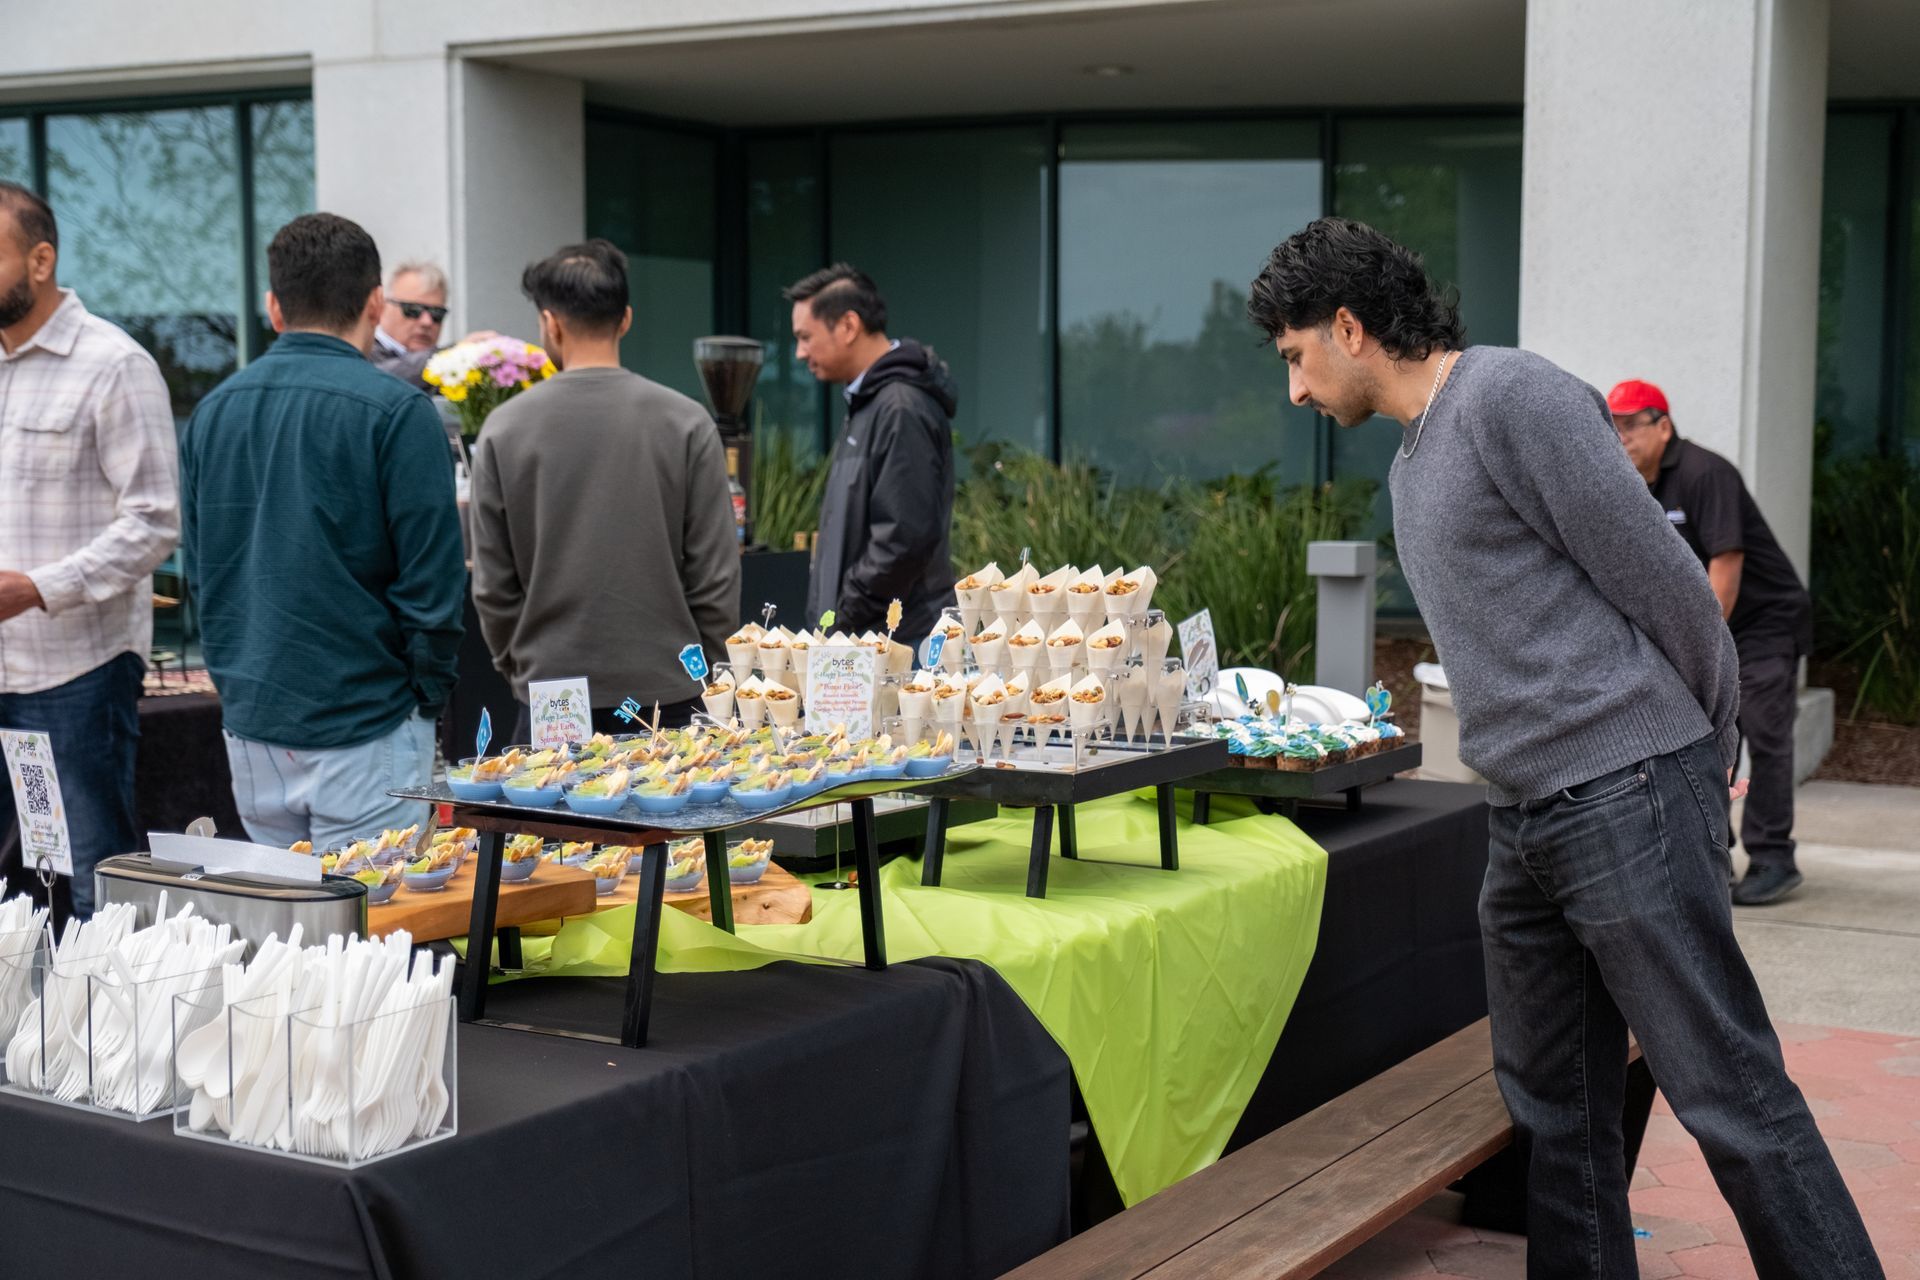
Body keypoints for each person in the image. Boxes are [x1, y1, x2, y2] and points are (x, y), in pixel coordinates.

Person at [1246, 218, 1881, 1279]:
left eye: (1295, 357)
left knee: (1727, 1092)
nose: (1297, 390)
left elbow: (1669, 583)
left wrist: (1704, 748)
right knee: (1556, 1115)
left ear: (1348, 326)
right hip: (1522, 816)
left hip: (1626, 789)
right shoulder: (1413, 464)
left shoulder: (1510, 397)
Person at [178, 213, 464, 850]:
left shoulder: (213, 412)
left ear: (274, 308)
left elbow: (202, 571)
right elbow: (434, 582)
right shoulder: (397, 412)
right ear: (374, 303)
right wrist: (425, 696)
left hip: (256, 720)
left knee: (290, 935)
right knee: (377, 932)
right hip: (367, 718)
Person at [469, 239, 740, 742]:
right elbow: (715, 577)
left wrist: (522, 666)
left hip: (553, 693)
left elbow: (493, 586)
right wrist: (708, 671)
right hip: (668, 693)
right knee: (667, 818)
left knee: (556, 821)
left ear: (550, 323)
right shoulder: (685, 422)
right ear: (627, 319)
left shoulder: (505, 429)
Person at [0, 182, 178, 919]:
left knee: (91, 874)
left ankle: (102, 1029)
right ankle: (24, 1028)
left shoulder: (113, 364)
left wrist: (39, 587)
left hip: (74, 674)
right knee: (14, 886)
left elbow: (156, 521)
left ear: (40, 259)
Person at [1609, 379, 1814, 906]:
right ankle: (1710, 859)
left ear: (1663, 426)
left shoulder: (1705, 472)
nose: (1623, 435)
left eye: (1633, 423)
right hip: (1711, 630)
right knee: (1704, 744)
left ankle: (1773, 859)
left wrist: (1700, 648)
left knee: (1764, 737)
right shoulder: (1634, 487)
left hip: (1763, 622)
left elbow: (1726, 566)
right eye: (1615, 425)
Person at [786, 264, 956, 643]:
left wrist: (839, 618)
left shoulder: (899, 407)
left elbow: (902, 540)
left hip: (893, 644)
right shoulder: (869, 403)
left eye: (805, 337)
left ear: (848, 326)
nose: (799, 353)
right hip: (865, 640)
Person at [369, 261, 494, 390]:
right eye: (413, 310)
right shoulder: (362, 352)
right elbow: (381, 379)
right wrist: (458, 354)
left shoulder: (448, 368)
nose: (427, 322)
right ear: (381, 307)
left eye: (436, 313)